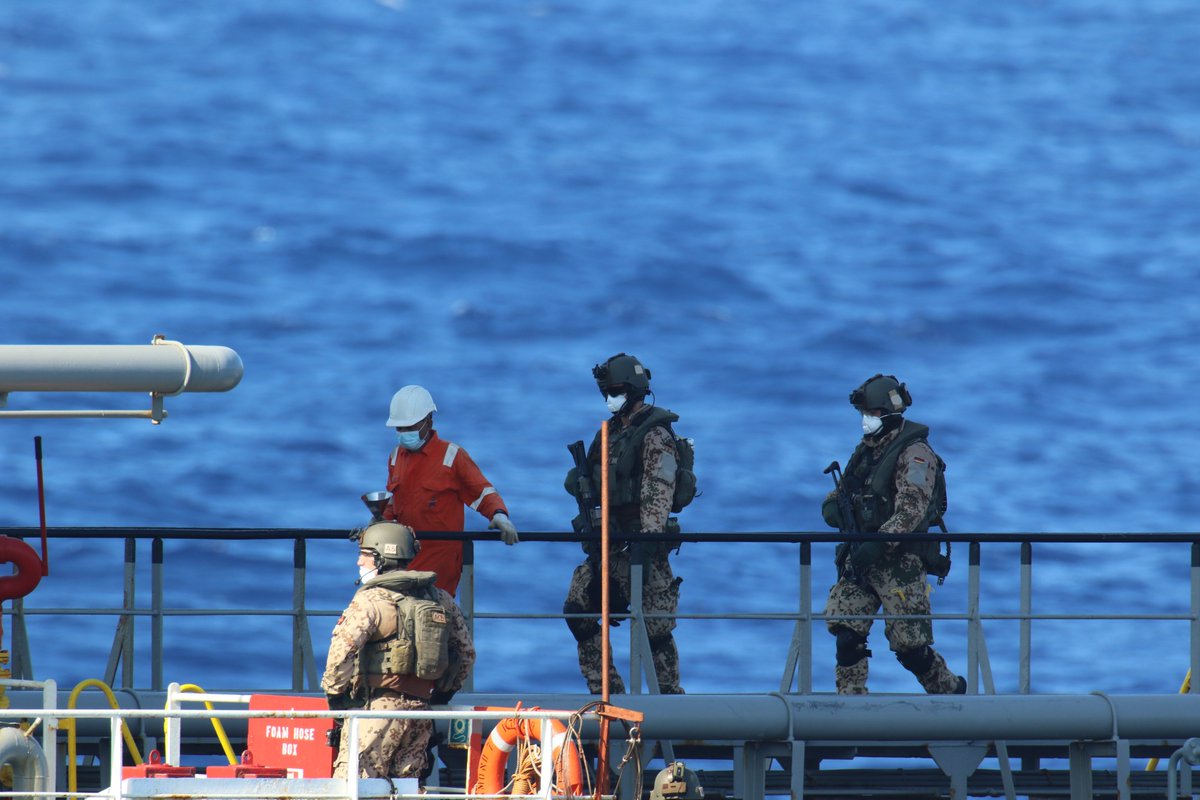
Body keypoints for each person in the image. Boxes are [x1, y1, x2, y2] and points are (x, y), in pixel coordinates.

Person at [821, 373, 964, 696]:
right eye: (863, 415)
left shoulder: (915, 454)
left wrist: (880, 542)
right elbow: (844, 492)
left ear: (888, 413)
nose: (865, 422)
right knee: (846, 633)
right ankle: (850, 701)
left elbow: (911, 511)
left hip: (900, 562)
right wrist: (832, 509)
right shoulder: (867, 451)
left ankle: (951, 692)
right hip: (861, 559)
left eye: (870, 415)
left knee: (910, 649)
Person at [562, 353, 688, 695]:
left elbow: (657, 492)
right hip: (610, 545)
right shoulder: (611, 433)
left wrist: (643, 552)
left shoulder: (654, 434)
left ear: (634, 391)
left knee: (656, 630)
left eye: (615, 390)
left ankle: (671, 703)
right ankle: (607, 691)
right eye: (606, 391)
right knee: (579, 610)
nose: (609, 398)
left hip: (642, 547)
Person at [321, 520, 475, 780]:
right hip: (420, 714)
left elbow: (341, 653)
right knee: (406, 790)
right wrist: (441, 696)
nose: (360, 562)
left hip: (375, 714)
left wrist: (336, 698)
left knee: (356, 787)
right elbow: (466, 655)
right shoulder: (440, 599)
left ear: (381, 558)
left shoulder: (370, 600)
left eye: (365, 555)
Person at [378, 385, 518, 596]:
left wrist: (499, 515)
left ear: (429, 421)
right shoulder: (396, 456)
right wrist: (378, 524)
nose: (404, 434)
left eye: (409, 428)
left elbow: (481, 491)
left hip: (439, 570)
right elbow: (392, 504)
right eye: (399, 429)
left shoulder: (452, 456)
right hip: (403, 563)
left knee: (431, 623)